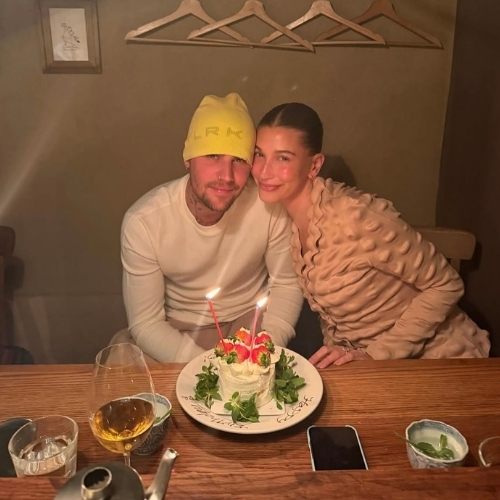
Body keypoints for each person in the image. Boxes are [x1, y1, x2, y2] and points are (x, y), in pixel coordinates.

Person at [251, 102, 490, 368]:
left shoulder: (356, 216)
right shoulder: (292, 223)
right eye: (259, 154)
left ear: (314, 165)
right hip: (368, 368)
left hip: (440, 358)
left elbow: (446, 285)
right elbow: (333, 316)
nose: (264, 171)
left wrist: (376, 354)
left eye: (283, 158)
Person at [118, 93, 303, 363]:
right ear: (188, 159)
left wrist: (266, 348)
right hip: (179, 330)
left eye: (239, 160)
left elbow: (286, 283)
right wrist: (212, 367)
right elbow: (146, 323)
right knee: (121, 362)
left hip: (252, 325)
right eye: (213, 156)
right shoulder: (144, 222)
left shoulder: (268, 206)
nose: (226, 176)